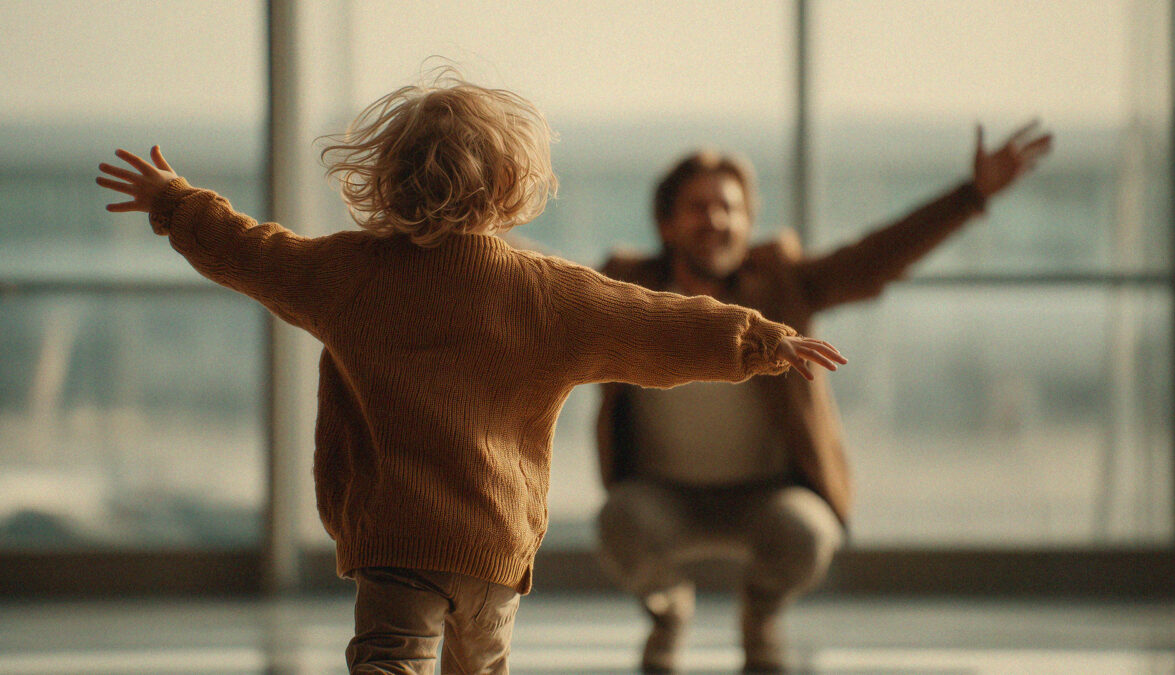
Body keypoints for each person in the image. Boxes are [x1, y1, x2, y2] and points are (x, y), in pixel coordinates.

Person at [94, 70, 847, 675]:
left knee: (390, 659)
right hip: (491, 545)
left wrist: (175, 203)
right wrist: (760, 341)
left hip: (393, 541)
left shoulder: (346, 274)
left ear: (388, 176)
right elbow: (651, 323)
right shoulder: (544, 292)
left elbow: (251, 251)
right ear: (511, 182)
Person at [596, 123, 1052, 673]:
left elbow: (874, 259)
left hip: (767, 495)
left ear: (748, 224)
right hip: (663, 495)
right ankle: (668, 612)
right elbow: (542, 285)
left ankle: (760, 611)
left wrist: (970, 195)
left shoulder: (782, 283)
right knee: (618, 522)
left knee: (809, 533)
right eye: (699, 207)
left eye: (729, 208)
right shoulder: (627, 288)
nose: (715, 220)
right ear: (667, 224)